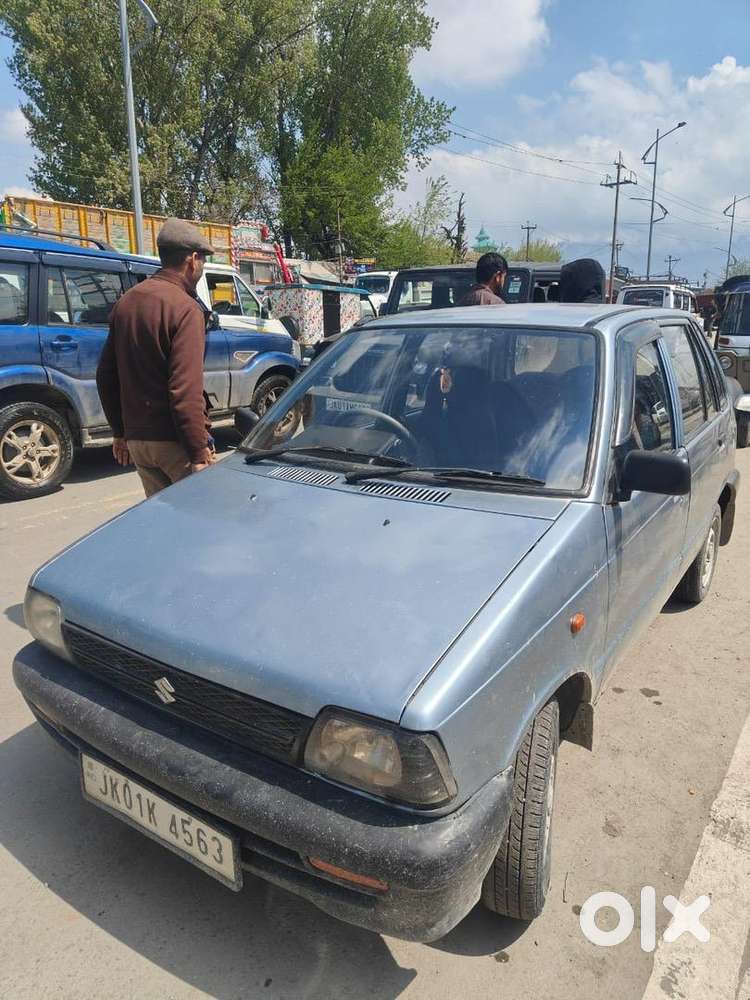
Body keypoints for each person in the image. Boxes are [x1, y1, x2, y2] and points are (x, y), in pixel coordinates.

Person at [96, 218, 217, 498]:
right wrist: (199, 453)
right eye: (203, 261)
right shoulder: (186, 309)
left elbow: (106, 374)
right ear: (192, 260)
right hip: (175, 444)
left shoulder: (126, 302)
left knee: (165, 524)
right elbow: (184, 390)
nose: (202, 267)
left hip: (139, 443)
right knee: (201, 525)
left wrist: (120, 432)